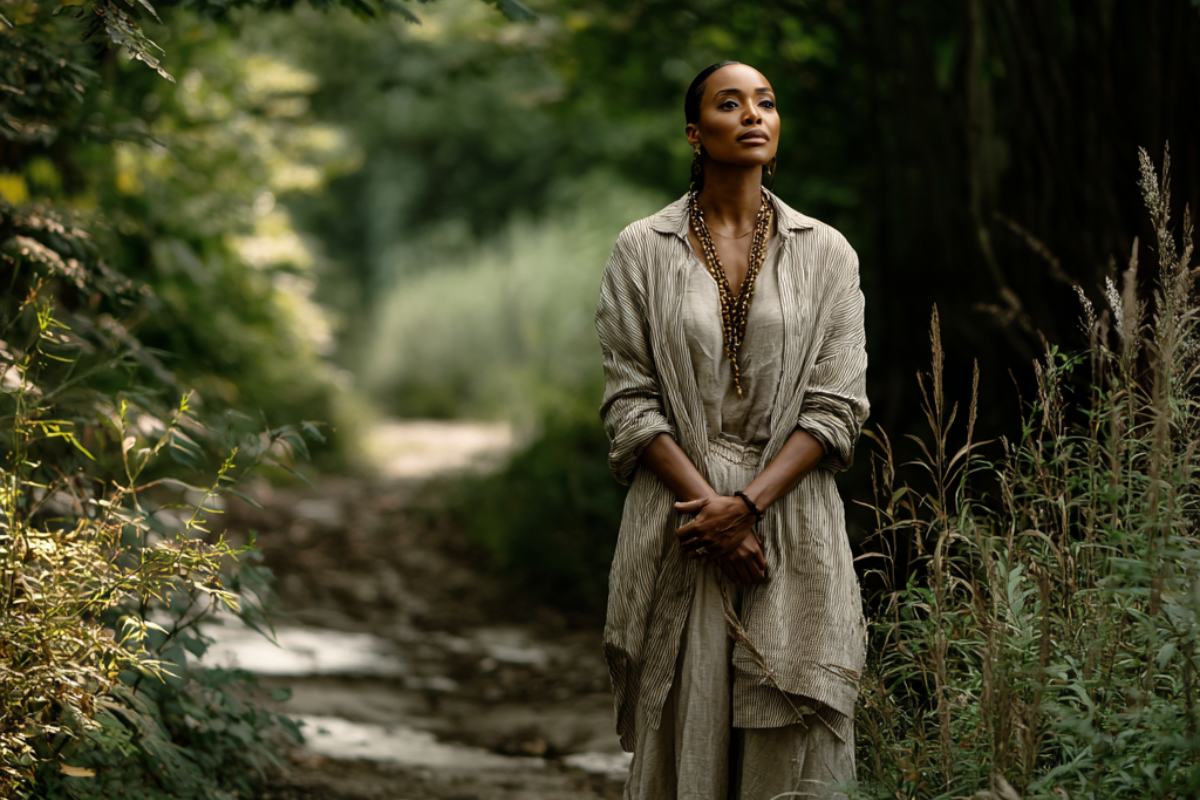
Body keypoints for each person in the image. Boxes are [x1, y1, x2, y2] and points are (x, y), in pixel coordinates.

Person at [594, 61, 870, 799]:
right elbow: (630, 400)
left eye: (766, 103)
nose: (753, 114)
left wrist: (746, 507)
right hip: (680, 523)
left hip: (793, 520)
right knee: (686, 724)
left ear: (776, 131)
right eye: (730, 103)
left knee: (794, 720)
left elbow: (836, 405)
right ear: (695, 133)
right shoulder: (642, 249)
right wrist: (712, 512)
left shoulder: (827, 252)